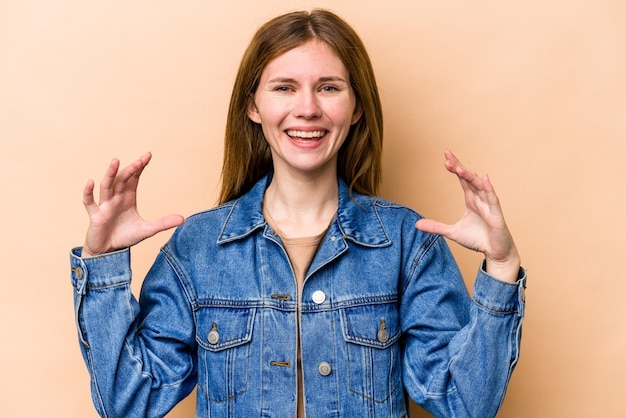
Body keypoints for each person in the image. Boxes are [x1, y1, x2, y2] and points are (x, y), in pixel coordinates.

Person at [70, 9, 526, 418]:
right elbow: (129, 404)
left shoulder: (408, 242)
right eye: (284, 87)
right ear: (253, 106)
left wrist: (502, 271)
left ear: (357, 107)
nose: (307, 109)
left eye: (328, 88)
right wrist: (103, 267)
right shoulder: (197, 249)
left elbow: (465, 403)